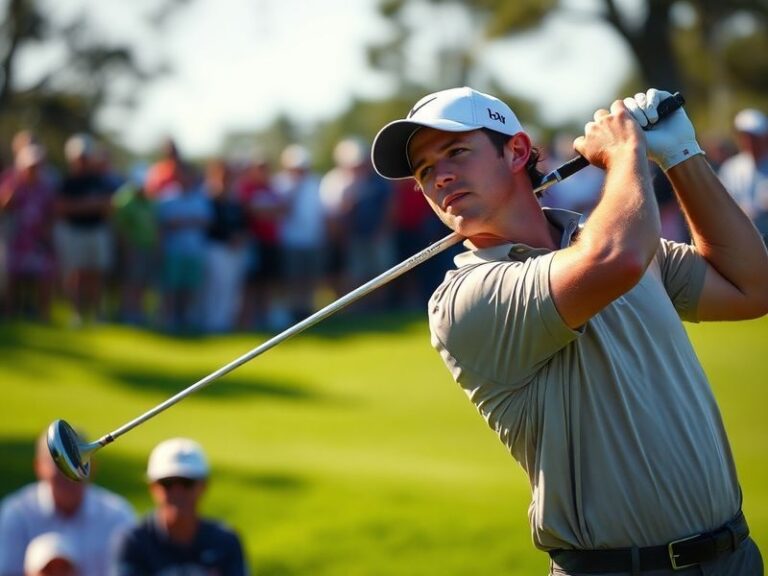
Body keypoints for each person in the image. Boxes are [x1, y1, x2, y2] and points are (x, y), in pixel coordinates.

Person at [371, 86, 768, 575]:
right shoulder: (464, 299)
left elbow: (751, 287)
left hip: (736, 556)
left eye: (456, 152)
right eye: (426, 170)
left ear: (516, 151)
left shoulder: (607, 241)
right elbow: (614, 260)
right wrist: (626, 151)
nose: (442, 176)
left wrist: (683, 156)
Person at [0, 431, 135, 576]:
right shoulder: (16, 514)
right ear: (38, 466)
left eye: (76, 464)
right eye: (59, 464)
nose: (69, 476)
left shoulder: (117, 514)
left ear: (92, 467)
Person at [113, 438, 248, 575]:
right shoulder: (134, 541)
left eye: (186, 483)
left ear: (203, 486)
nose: (177, 492)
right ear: (153, 487)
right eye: (167, 483)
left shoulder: (225, 541)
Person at [54, 133, 117, 326]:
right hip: (74, 232)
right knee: (76, 274)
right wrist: (91, 204)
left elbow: (108, 206)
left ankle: (97, 313)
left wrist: (81, 205)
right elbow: (62, 208)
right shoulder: (68, 182)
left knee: (95, 273)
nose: (82, 160)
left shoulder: (99, 180)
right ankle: (77, 314)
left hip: (96, 231)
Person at [718, 107, 768, 240]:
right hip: (741, 239)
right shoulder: (731, 167)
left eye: (754, 137)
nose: (749, 141)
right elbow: (723, 202)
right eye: (745, 136)